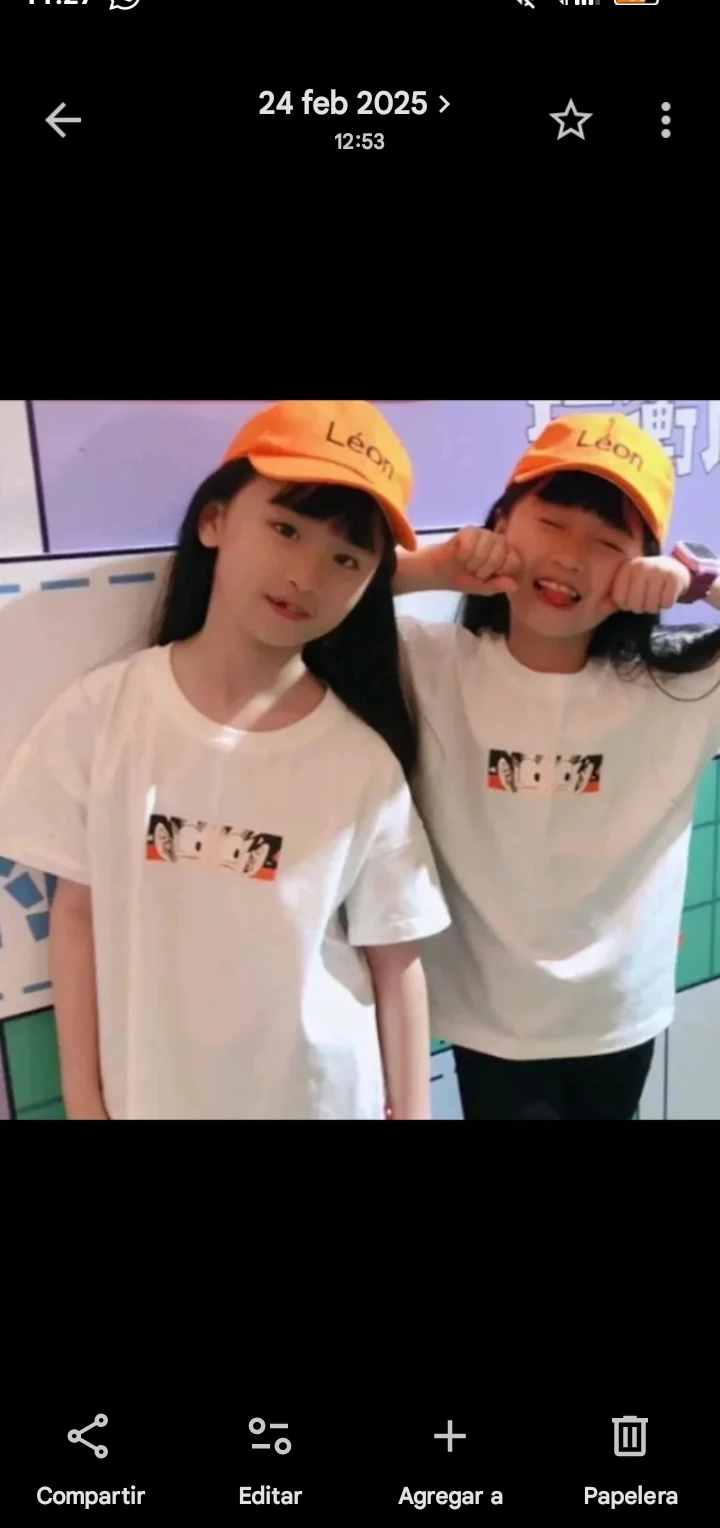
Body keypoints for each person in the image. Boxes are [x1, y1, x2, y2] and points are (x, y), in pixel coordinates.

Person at [0, 400, 451, 1120]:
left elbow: (396, 961)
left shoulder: (361, 759)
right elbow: (76, 915)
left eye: (346, 558)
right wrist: (83, 1096)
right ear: (214, 521)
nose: (306, 574)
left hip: (323, 1099)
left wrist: (414, 1109)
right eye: (286, 529)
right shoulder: (106, 712)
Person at [393, 411, 720, 1120]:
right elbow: (326, 593)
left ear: (640, 570)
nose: (571, 557)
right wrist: (433, 566)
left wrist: (701, 582)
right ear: (500, 523)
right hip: (492, 1022)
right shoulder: (429, 664)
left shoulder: (678, 686)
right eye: (550, 523)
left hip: (619, 1018)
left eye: (608, 543)